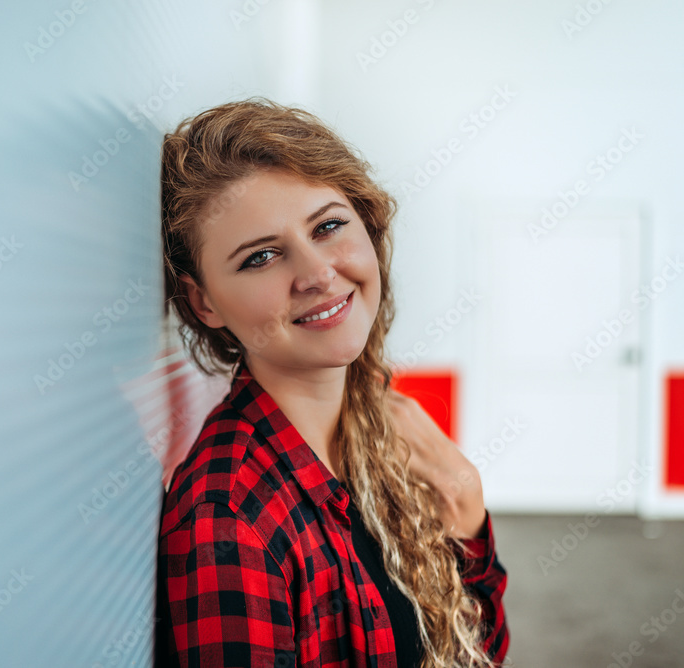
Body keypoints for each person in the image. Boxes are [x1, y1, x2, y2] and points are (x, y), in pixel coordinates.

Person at [155, 97, 509, 667]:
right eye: (261, 257)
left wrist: (464, 500)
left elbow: (475, 650)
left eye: (328, 226)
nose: (318, 273)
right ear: (204, 302)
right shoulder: (230, 517)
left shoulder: (381, 426)